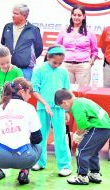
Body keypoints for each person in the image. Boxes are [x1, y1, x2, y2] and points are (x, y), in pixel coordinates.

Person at [54, 89, 110, 185]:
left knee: (82, 150)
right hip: (106, 128)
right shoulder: (82, 100)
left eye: (62, 107)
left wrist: (77, 135)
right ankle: (95, 174)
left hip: (98, 128)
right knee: (92, 151)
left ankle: (82, 176)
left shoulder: (76, 106)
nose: (64, 109)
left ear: (64, 103)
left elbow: (83, 126)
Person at [31, 45, 72, 177]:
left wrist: (66, 111)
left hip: (59, 109)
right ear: (48, 57)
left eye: (60, 63)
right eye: (55, 62)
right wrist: (45, 104)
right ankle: (39, 162)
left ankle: (65, 166)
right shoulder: (39, 70)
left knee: (60, 137)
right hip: (43, 108)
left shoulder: (63, 72)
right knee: (40, 136)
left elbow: (66, 92)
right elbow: (34, 90)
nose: (57, 65)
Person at [57, 5, 98, 86]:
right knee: (65, 92)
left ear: (84, 16)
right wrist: (59, 62)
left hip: (83, 66)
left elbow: (95, 51)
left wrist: (90, 63)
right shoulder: (64, 31)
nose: (76, 17)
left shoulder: (89, 32)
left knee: (82, 92)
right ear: (71, 16)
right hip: (66, 66)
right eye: (74, 15)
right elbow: (57, 47)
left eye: (79, 15)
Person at [1, 3, 43, 80]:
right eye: (13, 13)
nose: (13, 15)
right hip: (7, 68)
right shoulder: (7, 27)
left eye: (16, 14)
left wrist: (25, 58)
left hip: (25, 70)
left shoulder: (33, 30)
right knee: (7, 91)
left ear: (24, 15)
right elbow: (3, 43)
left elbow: (39, 49)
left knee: (23, 91)